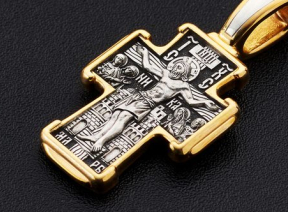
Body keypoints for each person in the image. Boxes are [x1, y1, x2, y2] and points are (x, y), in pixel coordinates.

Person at [77, 44, 217, 152]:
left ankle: (102, 141)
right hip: (139, 96)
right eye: (175, 65)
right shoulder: (165, 73)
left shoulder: (183, 85)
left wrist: (205, 103)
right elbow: (147, 66)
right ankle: (96, 136)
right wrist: (144, 53)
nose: (175, 68)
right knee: (116, 114)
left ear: (184, 73)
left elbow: (191, 101)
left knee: (123, 118)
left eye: (179, 68)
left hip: (147, 103)